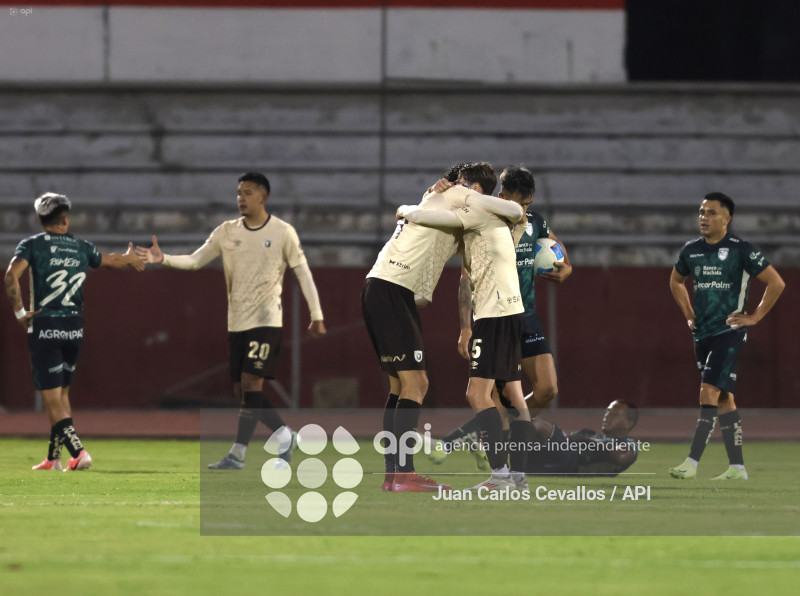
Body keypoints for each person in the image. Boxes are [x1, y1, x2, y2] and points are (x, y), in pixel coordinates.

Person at [135, 172, 326, 470]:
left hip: (266, 321)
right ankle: (283, 435)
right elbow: (196, 260)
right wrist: (164, 259)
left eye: (248, 192)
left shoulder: (282, 232)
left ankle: (240, 453)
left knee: (251, 385)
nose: (241, 198)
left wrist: (317, 315)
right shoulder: (226, 231)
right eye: (239, 192)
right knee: (244, 393)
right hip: (236, 323)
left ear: (263, 197)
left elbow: (303, 273)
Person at [364, 162, 523, 493]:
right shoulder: (449, 201)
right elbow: (508, 212)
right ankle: (404, 476)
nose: (455, 188)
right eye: (455, 183)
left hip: (384, 286)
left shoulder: (449, 203)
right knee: (416, 384)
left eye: (462, 184)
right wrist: (407, 208)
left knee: (400, 387)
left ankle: (394, 476)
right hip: (392, 288)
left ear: (473, 190)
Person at [429, 165, 572, 471]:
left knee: (547, 390)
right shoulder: (487, 221)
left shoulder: (535, 222)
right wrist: (465, 327)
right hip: (493, 315)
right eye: (518, 204)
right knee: (495, 395)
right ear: (503, 196)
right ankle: (501, 464)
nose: (523, 211)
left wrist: (561, 267)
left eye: (527, 205)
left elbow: (560, 256)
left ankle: (480, 438)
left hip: (526, 317)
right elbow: (466, 279)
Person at [4, 192, 145, 471]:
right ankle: (54, 457)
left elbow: (11, 275)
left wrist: (20, 312)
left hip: (46, 324)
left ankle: (78, 452)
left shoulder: (32, 245)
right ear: (65, 219)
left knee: (49, 396)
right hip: (74, 326)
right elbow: (111, 260)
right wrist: (129, 258)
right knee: (62, 395)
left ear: (40, 219)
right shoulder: (81, 247)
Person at [668, 192, 785, 480]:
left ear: (727, 219)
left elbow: (776, 282)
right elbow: (675, 280)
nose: (704, 217)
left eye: (711, 213)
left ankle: (691, 463)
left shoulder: (741, 249)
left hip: (729, 331)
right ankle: (737, 468)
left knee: (708, 391)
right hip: (702, 333)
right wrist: (688, 313)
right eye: (701, 212)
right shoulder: (691, 250)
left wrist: (755, 316)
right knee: (724, 399)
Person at [525, 400, 639, 476]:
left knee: (538, 423)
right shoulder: (589, 432)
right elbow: (563, 440)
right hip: (559, 464)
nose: (607, 417)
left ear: (628, 423)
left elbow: (620, 457)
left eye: (614, 414)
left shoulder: (629, 444)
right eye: (607, 413)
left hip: (574, 463)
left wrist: (585, 440)